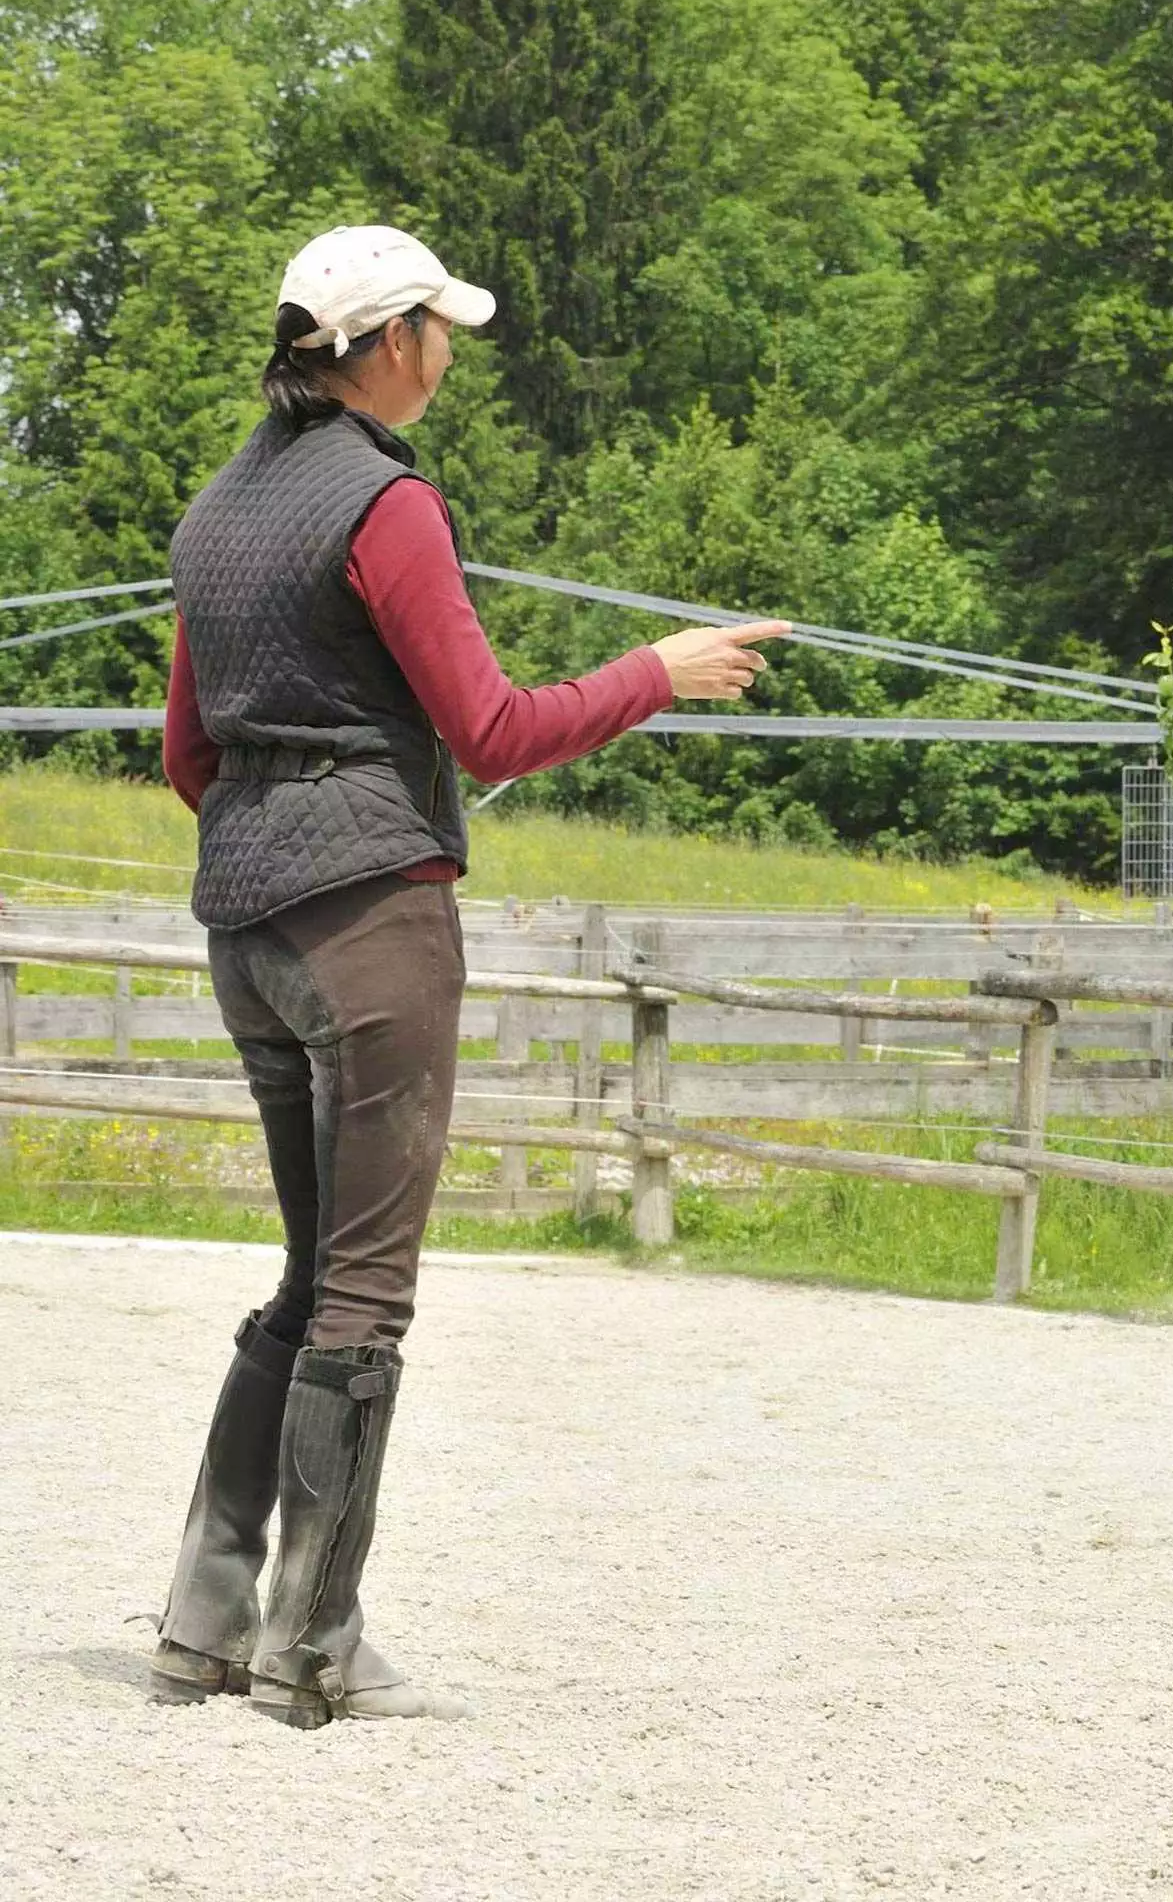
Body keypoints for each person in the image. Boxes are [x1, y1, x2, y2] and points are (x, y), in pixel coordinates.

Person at [143, 225, 790, 1728]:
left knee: (308, 1281)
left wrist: (278, 841)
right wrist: (657, 675)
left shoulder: (216, 510)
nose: (452, 351)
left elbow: (189, 756)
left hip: (244, 927)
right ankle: (311, 1643)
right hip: (369, 925)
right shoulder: (388, 504)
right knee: (366, 1293)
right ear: (384, 344)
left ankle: (206, 1614)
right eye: (442, 327)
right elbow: (494, 732)